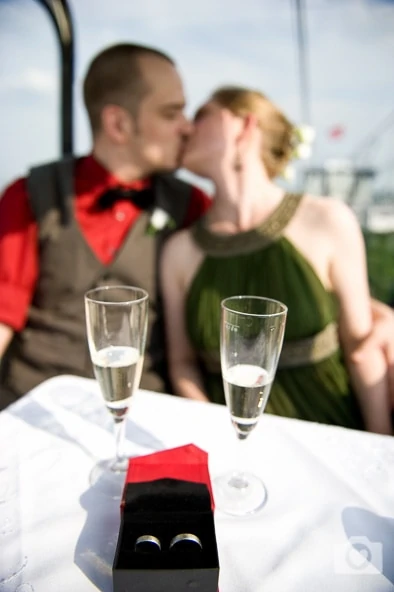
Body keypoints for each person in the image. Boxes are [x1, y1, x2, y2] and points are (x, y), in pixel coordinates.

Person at [160, 85, 393, 434]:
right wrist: (217, 438)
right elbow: (183, 365)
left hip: (328, 428)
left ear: (245, 126)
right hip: (232, 441)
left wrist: (381, 446)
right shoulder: (179, 251)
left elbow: (362, 350)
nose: (188, 128)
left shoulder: (328, 219)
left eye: (202, 115)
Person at [0, 43, 211, 409]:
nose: (187, 127)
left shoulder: (192, 206)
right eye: (171, 113)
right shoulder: (30, 196)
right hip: (31, 410)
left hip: (145, 415)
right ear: (118, 124)